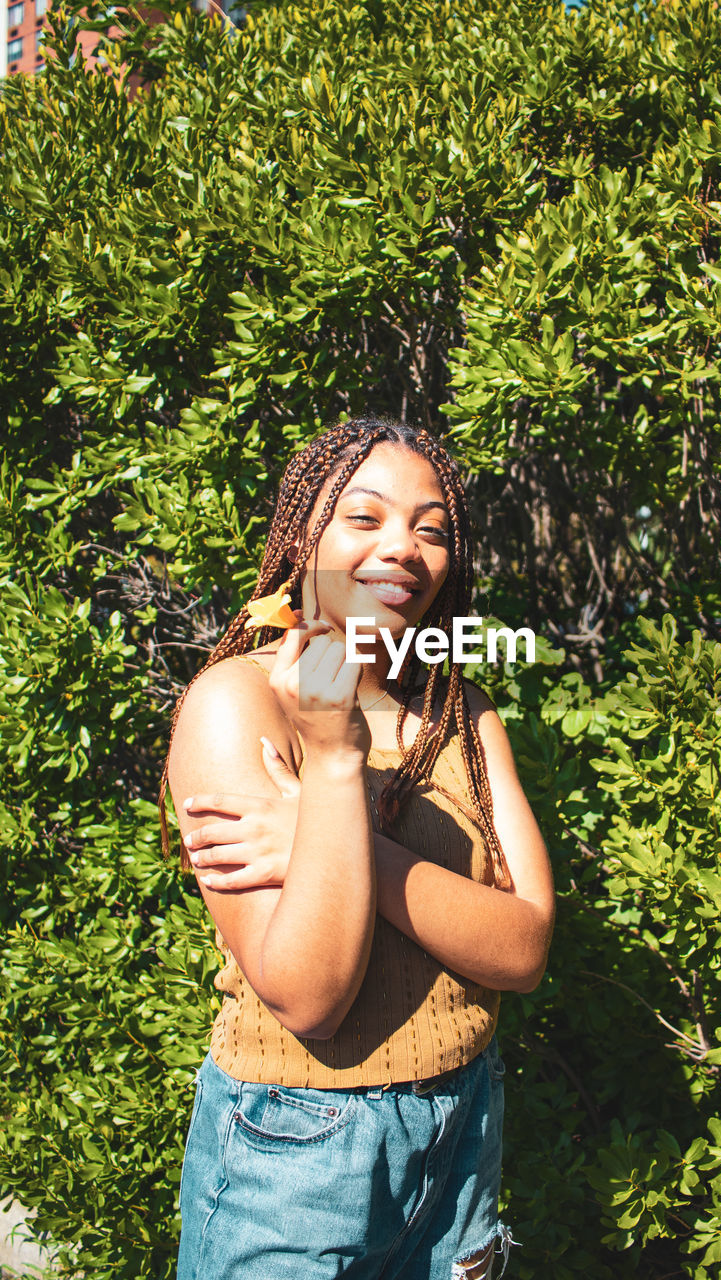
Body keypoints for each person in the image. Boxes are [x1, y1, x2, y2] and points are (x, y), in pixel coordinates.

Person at [162, 417, 555, 1280]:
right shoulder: (239, 704)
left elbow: (523, 950)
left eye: (431, 528)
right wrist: (336, 761)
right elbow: (310, 998)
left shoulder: (463, 712)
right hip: (297, 1150)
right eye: (364, 517)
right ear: (306, 537)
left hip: (462, 1129)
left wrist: (337, 849)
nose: (403, 549)